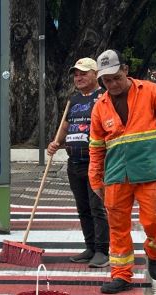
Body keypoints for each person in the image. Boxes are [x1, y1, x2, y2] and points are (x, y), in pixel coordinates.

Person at [89, 49, 156, 294]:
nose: (111, 84)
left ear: (125, 70)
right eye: (106, 80)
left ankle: (154, 253)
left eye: (115, 78)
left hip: (150, 171)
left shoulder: (151, 92)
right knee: (117, 228)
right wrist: (96, 180)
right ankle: (121, 275)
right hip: (116, 175)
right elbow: (96, 148)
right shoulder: (99, 107)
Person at [47, 57, 109, 268]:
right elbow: (65, 127)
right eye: (76, 74)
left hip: (96, 162)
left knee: (97, 207)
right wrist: (55, 143)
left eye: (83, 73)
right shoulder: (73, 101)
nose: (79, 77)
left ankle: (102, 251)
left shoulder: (104, 97)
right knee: (82, 208)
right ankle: (90, 247)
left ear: (95, 74)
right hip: (74, 162)